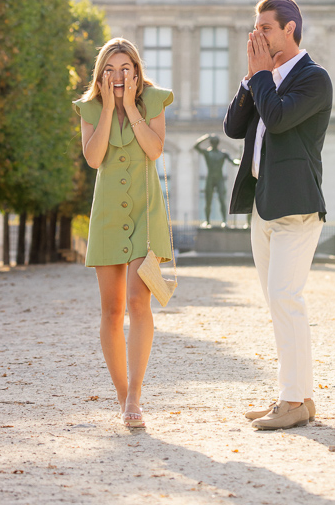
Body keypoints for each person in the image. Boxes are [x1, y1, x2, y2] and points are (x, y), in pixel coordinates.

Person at [224, 0, 333, 431]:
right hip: (263, 206)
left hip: (296, 207)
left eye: (265, 29)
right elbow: (234, 127)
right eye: (256, 29)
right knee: (279, 304)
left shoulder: (314, 79)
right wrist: (249, 80)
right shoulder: (262, 78)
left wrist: (262, 76)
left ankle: (291, 400)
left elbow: (280, 118)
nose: (258, 37)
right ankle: (299, 397)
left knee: (287, 299)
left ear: (290, 29)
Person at [74, 37, 174, 429]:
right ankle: (120, 394)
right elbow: (94, 157)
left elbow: (155, 149)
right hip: (107, 219)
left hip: (145, 215)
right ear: (101, 75)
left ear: (136, 70)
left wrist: (130, 106)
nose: (118, 76)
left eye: (125, 68)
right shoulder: (89, 107)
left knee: (138, 302)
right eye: (110, 70)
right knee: (112, 310)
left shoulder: (155, 100)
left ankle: (135, 393)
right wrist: (108, 109)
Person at [193, 134, 238, 227]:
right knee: (208, 201)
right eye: (212, 142)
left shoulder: (223, 154)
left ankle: (224, 221)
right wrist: (205, 137)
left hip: (219, 179)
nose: (214, 143)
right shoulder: (207, 153)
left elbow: (233, 161)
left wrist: (239, 162)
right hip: (210, 179)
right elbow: (195, 146)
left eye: (215, 142)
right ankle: (207, 221)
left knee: (222, 199)